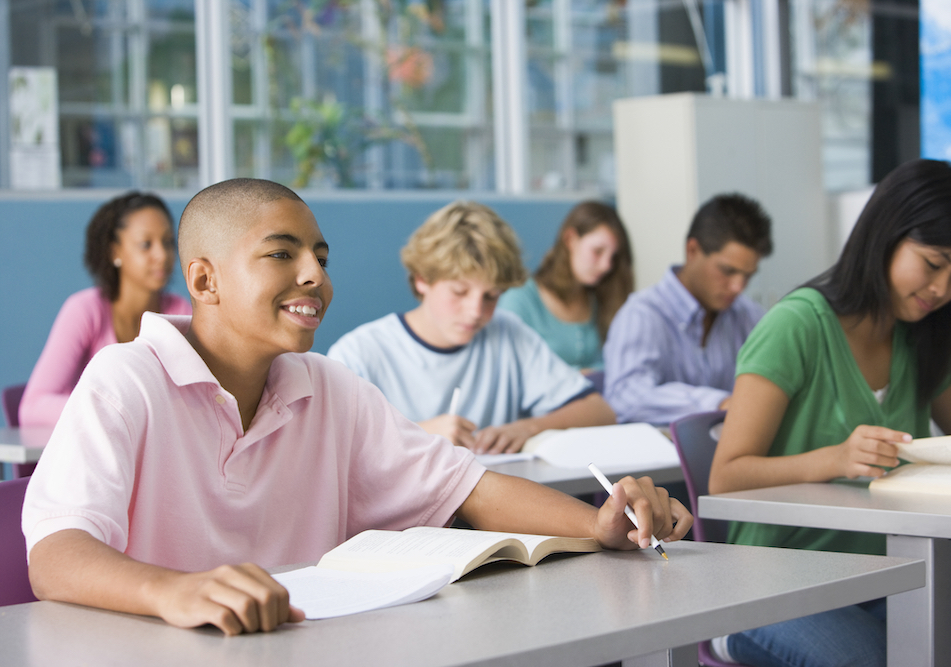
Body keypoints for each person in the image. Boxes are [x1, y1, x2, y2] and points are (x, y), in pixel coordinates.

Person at [21, 179, 692, 636]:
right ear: (204, 279)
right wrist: (174, 591)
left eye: (319, 255)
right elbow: (55, 555)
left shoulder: (328, 387)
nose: (314, 274)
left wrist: (604, 523)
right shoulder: (126, 377)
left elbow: (472, 489)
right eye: (282, 254)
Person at [708, 159, 951, 667]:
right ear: (886, 235)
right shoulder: (797, 325)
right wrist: (835, 459)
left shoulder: (919, 335)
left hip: (879, 577)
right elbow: (726, 476)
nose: (942, 290)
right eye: (933, 264)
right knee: (868, 660)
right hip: (769, 582)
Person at [328, 201, 617, 454]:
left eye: (491, 296)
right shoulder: (359, 353)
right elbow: (328, 445)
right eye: (459, 292)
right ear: (422, 280)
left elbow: (599, 412)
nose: (476, 311)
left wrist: (528, 428)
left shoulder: (509, 334)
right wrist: (418, 433)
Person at [19, 192, 191, 427]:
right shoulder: (84, 310)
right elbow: (33, 407)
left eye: (168, 242)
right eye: (145, 245)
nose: (162, 255)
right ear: (114, 252)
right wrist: (116, 411)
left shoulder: (179, 311)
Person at [603, 193, 773, 425]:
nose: (737, 287)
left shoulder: (747, 315)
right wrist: (718, 404)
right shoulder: (643, 314)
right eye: (727, 271)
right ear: (692, 250)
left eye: (747, 276)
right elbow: (625, 398)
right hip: (662, 457)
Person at [497, 201, 633, 371]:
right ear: (570, 240)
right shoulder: (520, 299)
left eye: (613, 257)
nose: (607, 265)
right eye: (597, 251)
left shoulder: (599, 298)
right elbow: (512, 370)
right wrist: (580, 376)